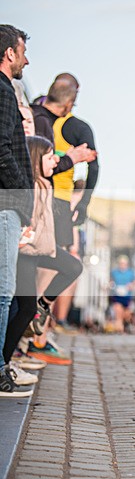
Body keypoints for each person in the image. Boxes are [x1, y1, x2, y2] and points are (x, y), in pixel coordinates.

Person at [8, 136, 83, 370]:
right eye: (50, 157)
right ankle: (6, 360)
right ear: (36, 159)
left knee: (73, 267)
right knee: (24, 309)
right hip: (26, 252)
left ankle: (44, 304)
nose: (55, 161)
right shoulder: (29, 186)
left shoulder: (45, 184)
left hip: (41, 249)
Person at [0, 24, 34, 397]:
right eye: (22, 51)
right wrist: (22, 192)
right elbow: (2, 148)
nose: (26, 58)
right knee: (4, 291)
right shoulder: (3, 90)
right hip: (6, 202)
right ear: (9, 53)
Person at [109, 255, 135, 333]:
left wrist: (131, 285)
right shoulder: (114, 272)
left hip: (127, 295)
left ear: (127, 264)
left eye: (124, 263)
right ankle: (119, 328)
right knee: (118, 312)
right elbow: (111, 281)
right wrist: (111, 285)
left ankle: (125, 324)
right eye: (121, 263)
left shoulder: (131, 272)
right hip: (117, 295)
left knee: (126, 314)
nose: (122, 265)